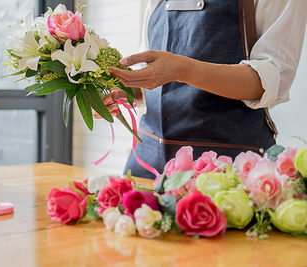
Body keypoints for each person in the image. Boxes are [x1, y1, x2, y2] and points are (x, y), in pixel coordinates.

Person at [96, 0, 307, 179]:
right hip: (147, 164)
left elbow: (269, 81)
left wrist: (182, 69)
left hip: (227, 171)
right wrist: (123, 91)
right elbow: (151, 74)